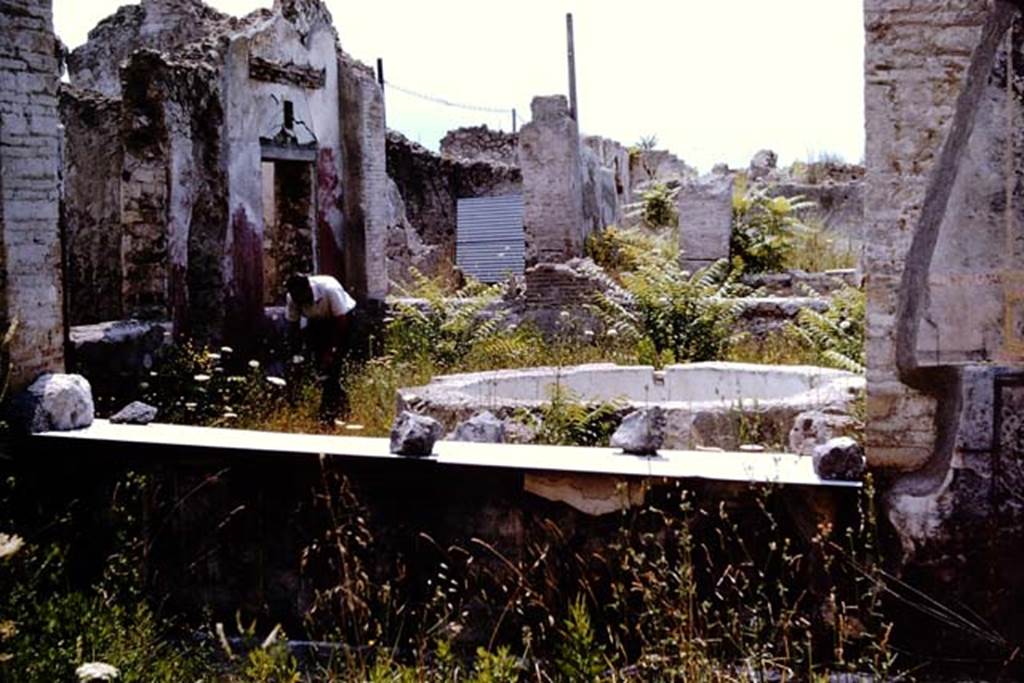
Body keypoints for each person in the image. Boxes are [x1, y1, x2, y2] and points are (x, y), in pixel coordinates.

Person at [285, 273, 356, 423]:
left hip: (342, 320)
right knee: (320, 366)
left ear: (308, 289)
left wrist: (331, 352)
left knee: (335, 365)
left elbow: (341, 323)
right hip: (317, 323)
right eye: (297, 299)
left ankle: (330, 411)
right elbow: (293, 327)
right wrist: (295, 354)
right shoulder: (293, 298)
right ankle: (336, 402)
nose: (301, 302)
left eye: (303, 298)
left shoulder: (330, 289)